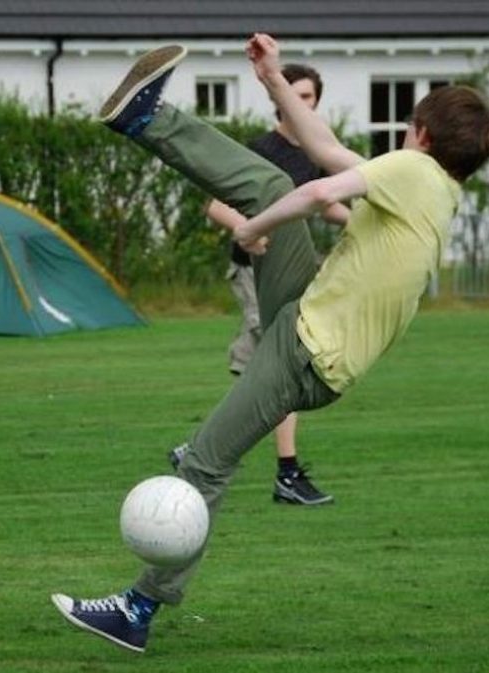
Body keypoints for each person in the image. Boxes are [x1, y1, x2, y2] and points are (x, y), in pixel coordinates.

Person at [51, 35, 489, 654]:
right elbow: (322, 152)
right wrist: (273, 80)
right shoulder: (434, 191)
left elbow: (317, 191)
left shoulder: (413, 171)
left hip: (305, 353)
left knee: (206, 465)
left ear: (418, 133)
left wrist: (252, 229)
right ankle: (144, 117)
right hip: (304, 322)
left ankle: (137, 609)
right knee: (266, 179)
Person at [170, 63, 349, 506]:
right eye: (296, 95)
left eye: (309, 97)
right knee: (280, 369)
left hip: (289, 270)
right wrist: (248, 227)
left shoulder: (314, 150)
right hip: (253, 269)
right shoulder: (262, 148)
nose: (303, 104)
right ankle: (285, 474)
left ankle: (197, 449)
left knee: (263, 372)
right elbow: (216, 206)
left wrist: (375, 223)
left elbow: (327, 208)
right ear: (278, 98)